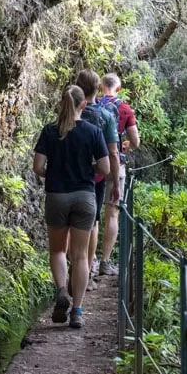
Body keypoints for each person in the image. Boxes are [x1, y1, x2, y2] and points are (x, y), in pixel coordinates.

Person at [33, 86, 110, 329]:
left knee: (57, 251)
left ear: (61, 104)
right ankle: (77, 310)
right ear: (83, 105)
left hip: (56, 196)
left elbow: (38, 167)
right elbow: (106, 168)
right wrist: (89, 170)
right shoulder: (93, 132)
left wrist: (52, 173)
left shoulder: (49, 131)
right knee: (80, 256)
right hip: (85, 197)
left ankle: (61, 292)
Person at [74, 69, 121, 279]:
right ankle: (88, 269)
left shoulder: (69, 112)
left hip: (67, 177)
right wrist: (116, 182)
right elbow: (113, 152)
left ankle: (70, 276)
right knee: (92, 222)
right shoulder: (106, 116)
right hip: (96, 179)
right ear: (97, 89)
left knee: (67, 226)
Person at [96, 72, 140, 274]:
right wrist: (127, 145)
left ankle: (91, 261)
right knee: (112, 214)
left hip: (94, 164)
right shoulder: (124, 108)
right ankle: (105, 261)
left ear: (100, 87)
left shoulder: (92, 105)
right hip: (116, 165)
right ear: (119, 88)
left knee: (93, 215)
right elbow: (136, 140)